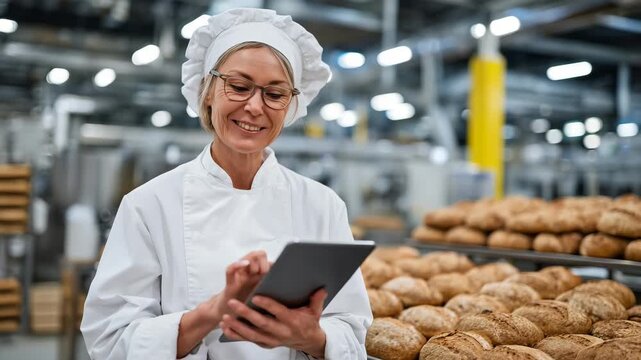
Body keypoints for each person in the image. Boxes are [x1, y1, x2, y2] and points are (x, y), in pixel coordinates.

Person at [80, 7, 372, 360]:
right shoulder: (149, 205)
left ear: (291, 105)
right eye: (238, 86)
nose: (254, 106)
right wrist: (212, 312)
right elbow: (110, 338)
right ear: (207, 90)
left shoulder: (322, 205)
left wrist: (314, 338)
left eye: (275, 94)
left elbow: (353, 329)